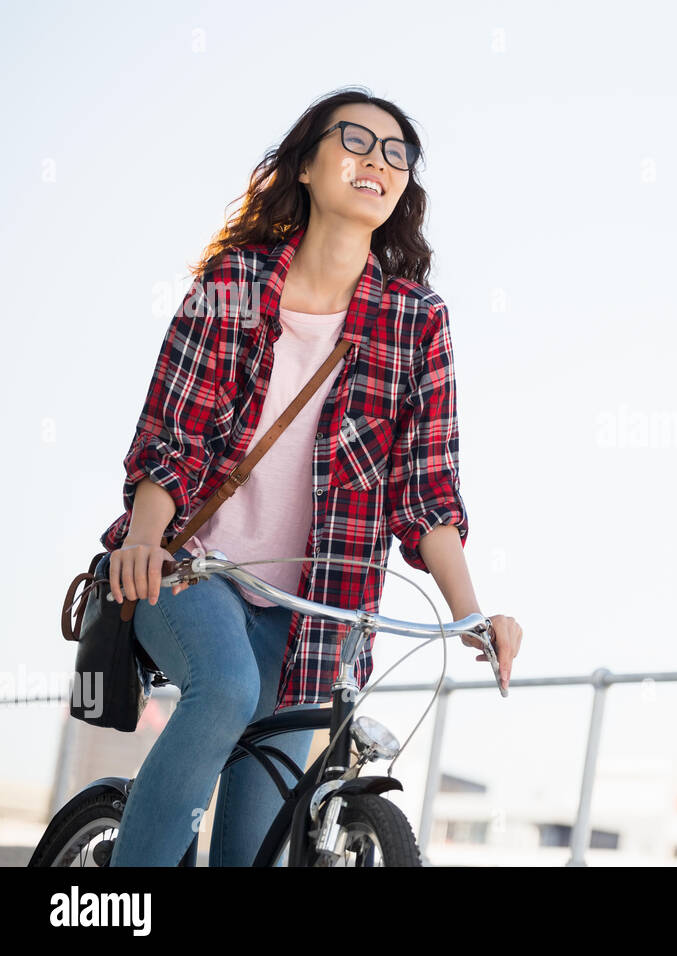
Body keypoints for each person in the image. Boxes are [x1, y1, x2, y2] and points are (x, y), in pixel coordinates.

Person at [98, 87, 523, 866]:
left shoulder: (416, 321)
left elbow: (426, 492)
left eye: (398, 153)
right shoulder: (233, 282)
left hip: (317, 619)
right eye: (357, 140)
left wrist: (472, 616)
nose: (378, 161)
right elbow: (173, 434)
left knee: (254, 849)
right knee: (223, 688)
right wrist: (147, 540)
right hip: (191, 572)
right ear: (306, 163)